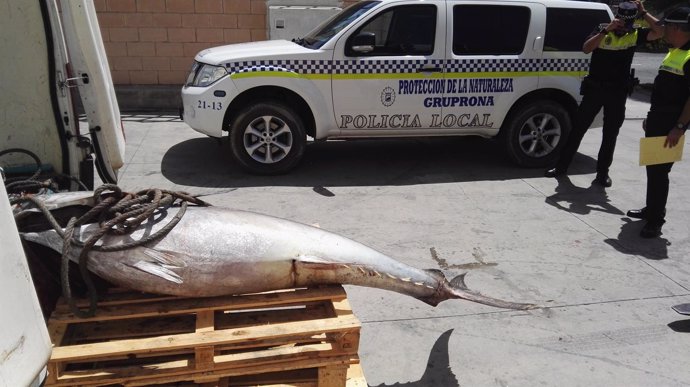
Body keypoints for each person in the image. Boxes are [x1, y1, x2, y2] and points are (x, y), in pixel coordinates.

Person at [545, 1, 663, 187]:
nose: (623, 28)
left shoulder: (635, 34)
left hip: (617, 92)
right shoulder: (602, 29)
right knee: (578, 129)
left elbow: (660, 31)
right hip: (595, 90)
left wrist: (644, 12)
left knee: (610, 134)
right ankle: (561, 167)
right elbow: (586, 48)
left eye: (627, 24)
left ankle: (602, 174)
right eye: (621, 22)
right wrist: (606, 30)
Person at [627, 6, 690, 238]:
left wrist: (680, 127)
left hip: (671, 123)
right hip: (658, 118)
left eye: (667, 26)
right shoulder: (676, 50)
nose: (664, 30)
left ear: (676, 28)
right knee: (653, 169)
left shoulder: (689, 55)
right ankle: (651, 209)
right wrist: (651, 116)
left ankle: (655, 220)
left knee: (660, 172)